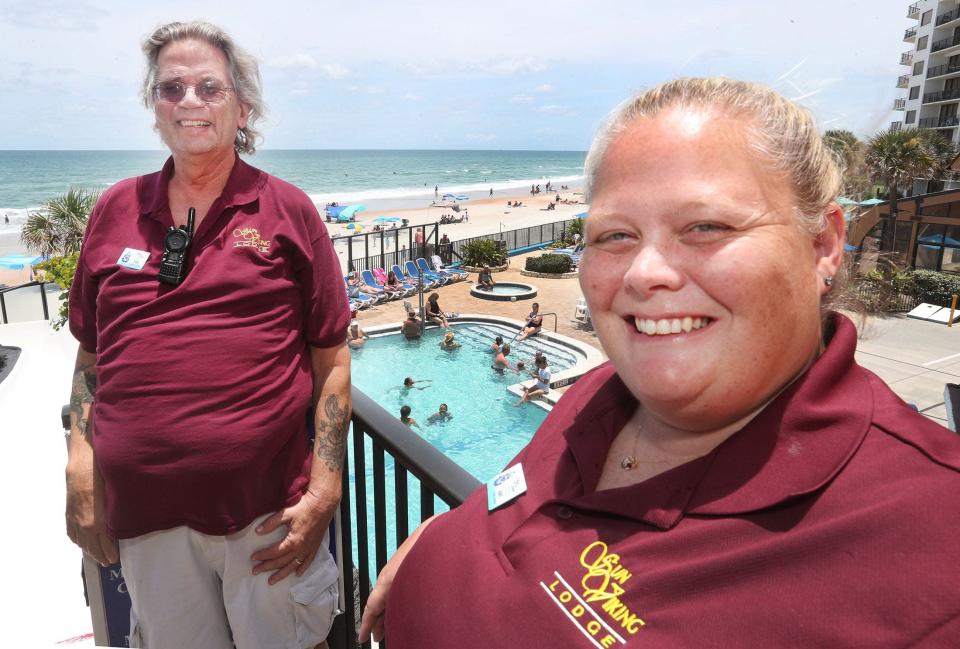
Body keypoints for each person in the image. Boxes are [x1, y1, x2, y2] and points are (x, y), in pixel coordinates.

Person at [359, 78, 960, 647]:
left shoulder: (931, 542)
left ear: (823, 244)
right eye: (614, 235)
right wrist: (453, 536)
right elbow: (523, 503)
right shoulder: (600, 393)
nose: (645, 274)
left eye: (705, 225)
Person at [65, 21, 351, 649]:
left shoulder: (288, 212)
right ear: (154, 108)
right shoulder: (114, 209)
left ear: (242, 107)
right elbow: (91, 355)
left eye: (208, 88)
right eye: (171, 88)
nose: (189, 102)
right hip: (146, 520)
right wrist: (81, 469)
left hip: (267, 519)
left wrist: (327, 489)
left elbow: (331, 355)